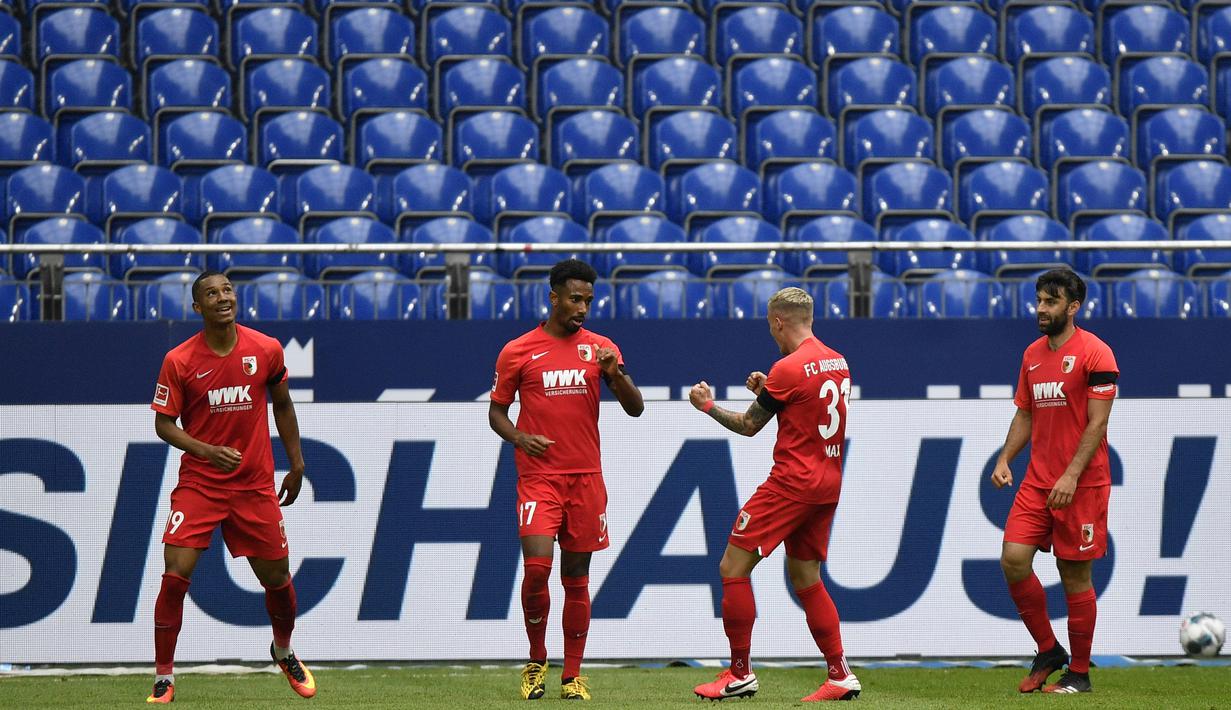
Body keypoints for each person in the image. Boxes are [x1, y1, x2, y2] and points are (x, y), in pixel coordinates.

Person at [146, 271, 315, 703]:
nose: (223, 298)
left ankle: (283, 650)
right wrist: (206, 450)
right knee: (174, 575)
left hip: (254, 486)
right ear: (197, 307)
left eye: (227, 291)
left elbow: (283, 405)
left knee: (278, 580)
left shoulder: (266, 349)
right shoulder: (179, 360)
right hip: (201, 485)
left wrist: (296, 465)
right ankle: (164, 675)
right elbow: (164, 424)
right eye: (211, 294)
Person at [688, 287, 860, 703]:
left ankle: (739, 673)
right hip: (827, 482)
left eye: (770, 326)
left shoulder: (788, 367)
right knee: (807, 578)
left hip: (791, 484)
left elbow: (749, 426)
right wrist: (770, 391)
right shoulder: (837, 361)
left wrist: (707, 406)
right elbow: (808, 405)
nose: (771, 333)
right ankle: (839, 674)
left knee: (733, 566)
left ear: (779, 321)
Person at [488, 259, 644, 701]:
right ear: (553, 296)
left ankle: (571, 675)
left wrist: (614, 374)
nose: (583, 308)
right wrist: (520, 436)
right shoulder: (518, 350)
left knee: (576, 578)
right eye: (575, 299)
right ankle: (536, 661)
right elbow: (496, 412)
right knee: (537, 571)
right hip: (539, 477)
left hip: (585, 480)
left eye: (589, 301)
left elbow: (636, 407)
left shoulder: (600, 349)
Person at [992, 269, 1118, 694]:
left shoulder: (1097, 354)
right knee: (1013, 559)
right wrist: (1006, 457)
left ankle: (1079, 675)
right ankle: (1048, 649)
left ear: (1073, 306)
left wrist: (1071, 474)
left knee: (1074, 575)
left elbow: (1097, 424)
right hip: (1037, 482)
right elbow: (1026, 412)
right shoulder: (1031, 354)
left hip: (1082, 485)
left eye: (1051, 301)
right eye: (1039, 301)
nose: (1041, 309)